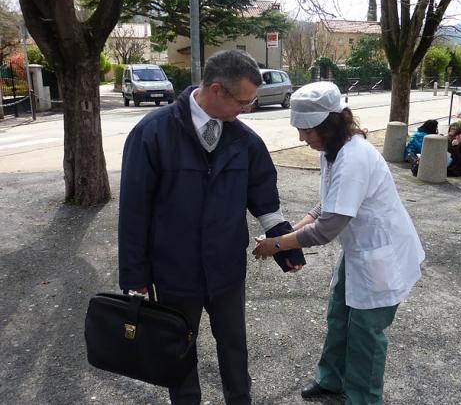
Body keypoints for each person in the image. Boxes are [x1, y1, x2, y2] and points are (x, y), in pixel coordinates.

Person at [118, 49, 305, 405]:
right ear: (217, 90)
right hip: (174, 272)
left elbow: (265, 201)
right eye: (244, 101)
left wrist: (285, 246)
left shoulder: (246, 142)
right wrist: (134, 273)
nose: (248, 109)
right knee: (179, 348)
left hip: (225, 271)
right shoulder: (152, 134)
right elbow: (134, 211)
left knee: (234, 346)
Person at [253, 82, 425, 404]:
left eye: (306, 130)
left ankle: (362, 398)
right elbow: (325, 207)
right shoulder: (332, 153)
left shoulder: (354, 158)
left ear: (328, 126)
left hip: (381, 255)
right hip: (358, 252)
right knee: (338, 317)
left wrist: (276, 245)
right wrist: (283, 235)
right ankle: (331, 379)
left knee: (366, 335)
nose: (301, 138)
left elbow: (326, 228)